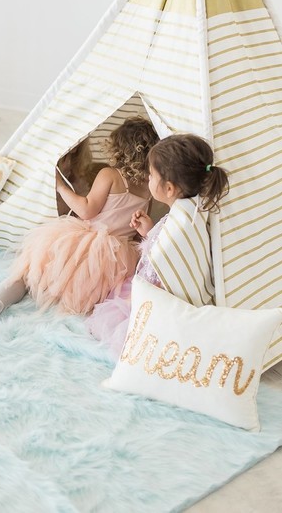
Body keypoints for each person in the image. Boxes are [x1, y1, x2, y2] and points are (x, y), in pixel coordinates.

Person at [0, 116, 159, 329]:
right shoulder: (148, 189)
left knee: (29, 273)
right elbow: (136, 231)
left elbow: (86, 210)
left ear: (118, 149)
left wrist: (61, 187)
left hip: (86, 243)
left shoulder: (109, 174)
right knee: (82, 288)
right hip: (116, 258)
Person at [87, 133, 230, 357]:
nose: (148, 179)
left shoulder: (178, 227)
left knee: (114, 315)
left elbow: (161, 267)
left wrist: (133, 299)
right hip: (154, 285)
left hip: (155, 299)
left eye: (152, 175)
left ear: (169, 188)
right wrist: (149, 231)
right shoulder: (186, 212)